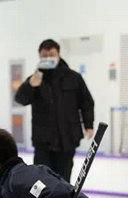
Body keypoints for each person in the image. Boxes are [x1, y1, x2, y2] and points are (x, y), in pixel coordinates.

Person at [14, 38, 95, 183]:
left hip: (67, 138)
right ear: (39, 57)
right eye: (44, 56)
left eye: (51, 54)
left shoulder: (73, 77)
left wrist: (88, 125)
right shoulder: (35, 79)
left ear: (58, 54)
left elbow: (86, 102)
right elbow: (20, 99)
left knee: (64, 178)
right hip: (43, 140)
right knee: (41, 179)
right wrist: (30, 85)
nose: (48, 58)